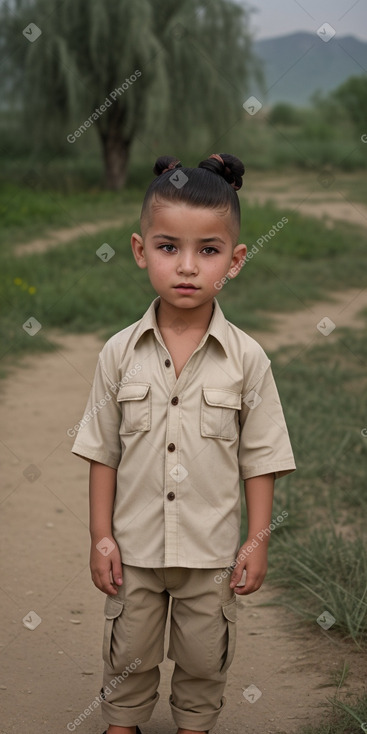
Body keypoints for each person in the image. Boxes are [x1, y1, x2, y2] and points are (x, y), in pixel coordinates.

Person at [71, 153, 296, 734]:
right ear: (141, 250)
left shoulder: (247, 359)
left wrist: (256, 540)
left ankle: (193, 725)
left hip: (211, 555)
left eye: (209, 250)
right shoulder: (119, 353)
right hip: (136, 552)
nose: (188, 267)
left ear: (236, 259)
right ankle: (122, 724)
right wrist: (101, 537)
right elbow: (102, 450)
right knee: (128, 656)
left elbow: (262, 457)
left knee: (203, 662)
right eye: (169, 247)